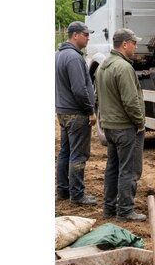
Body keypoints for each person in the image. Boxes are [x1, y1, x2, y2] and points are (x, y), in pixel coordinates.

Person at [95, 28, 147, 222]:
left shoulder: (103, 66)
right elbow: (130, 101)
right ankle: (125, 210)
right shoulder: (124, 68)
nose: (136, 46)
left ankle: (109, 208)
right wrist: (140, 123)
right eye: (134, 43)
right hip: (125, 127)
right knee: (129, 170)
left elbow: (97, 96)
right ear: (124, 44)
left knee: (112, 167)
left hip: (109, 126)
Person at [55, 21, 97, 206]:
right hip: (76, 113)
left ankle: (63, 191)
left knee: (65, 152)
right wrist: (90, 110)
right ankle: (77, 196)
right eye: (85, 34)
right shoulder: (73, 58)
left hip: (63, 111)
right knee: (78, 155)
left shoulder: (59, 55)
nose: (88, 38)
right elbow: (80, 89)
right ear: (75, 35)